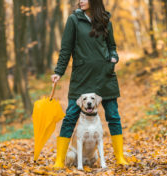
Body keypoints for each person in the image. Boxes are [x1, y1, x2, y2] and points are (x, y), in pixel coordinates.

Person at [50, 0, 128, 168]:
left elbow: (112, 46)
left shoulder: (105, 20)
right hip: (82, 77)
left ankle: (120, 157)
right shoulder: (74, 20)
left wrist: (113, 57)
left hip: (104, 75)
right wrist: (59, 71)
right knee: (70, 116)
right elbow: (66, 48)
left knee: (113, 116)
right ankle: (59, 160)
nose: (80, 1)